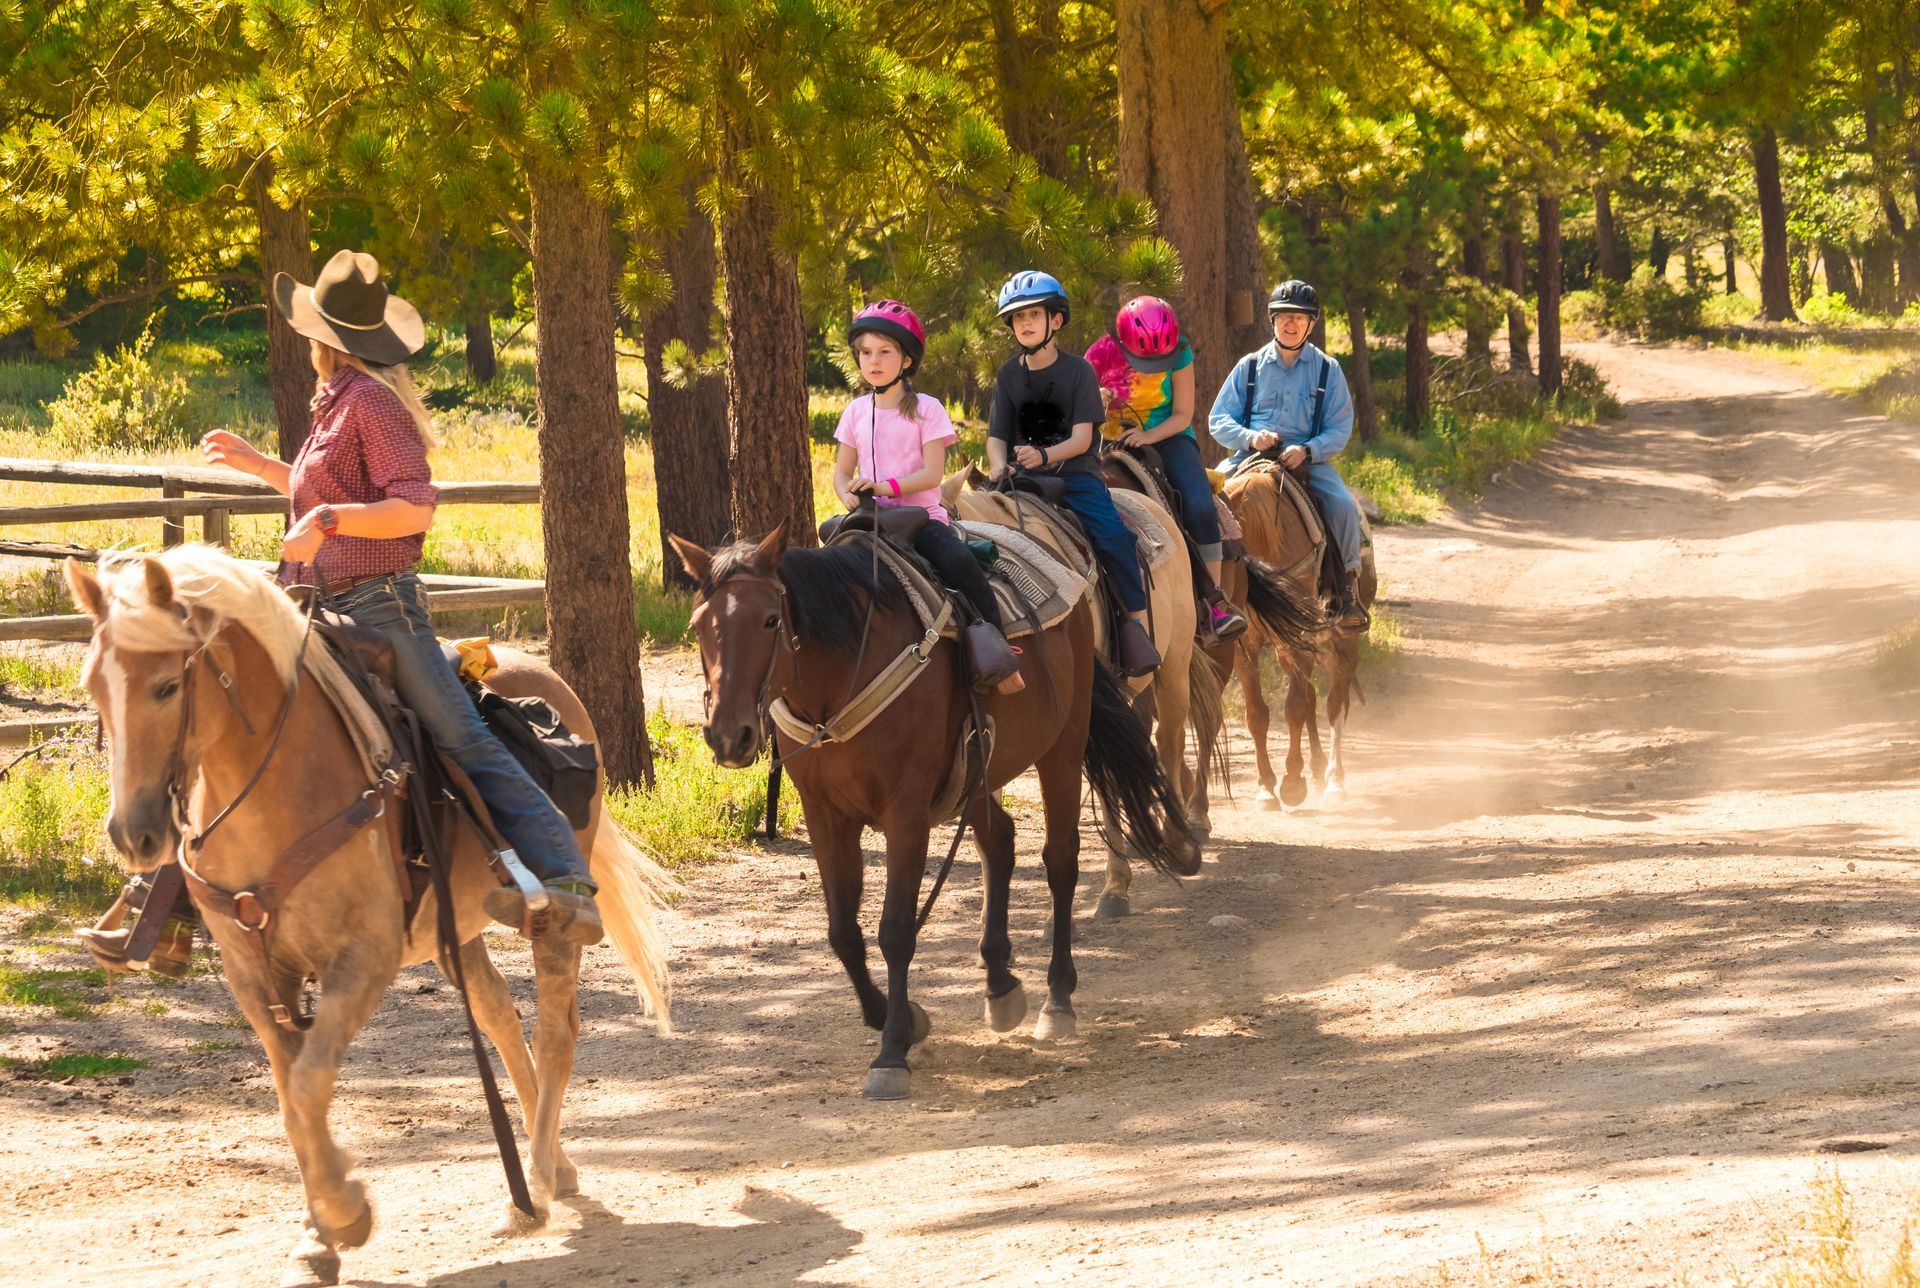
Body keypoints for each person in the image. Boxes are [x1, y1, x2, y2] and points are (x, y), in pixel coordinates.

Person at [203, 249, 603, 945]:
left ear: (324, 335)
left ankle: (567, 879)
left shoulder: (373, 405)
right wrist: (262, 467)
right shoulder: (336, 404)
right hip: (318, 606)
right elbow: (328, 496)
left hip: (377, 607)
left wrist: (326, 522)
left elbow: (414, 508)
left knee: (462, 735)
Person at [830, 300, 1024, 694]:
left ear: (906, 359)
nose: (874, 361)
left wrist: (885, 486)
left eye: (885, 352)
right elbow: (840, 471)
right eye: (866, 352)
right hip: (869, 519)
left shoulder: (928, 410)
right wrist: (846, 494)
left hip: (920, 520)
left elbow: (933, 474)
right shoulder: (853, 412)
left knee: (959, 562)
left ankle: (998, 653)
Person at [985, 271, 1160, 677]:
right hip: (1019, 479)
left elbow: (1083, 439)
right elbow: (997, 435)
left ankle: (1134, 626)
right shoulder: (1009, 374)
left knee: (1113, 536)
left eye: (1033, 314)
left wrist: (1044, 456)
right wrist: (997, 463)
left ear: (1056, 321)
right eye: (1017, 318)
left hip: (1075, 475)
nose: (1024, 323)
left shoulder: (1078, 371)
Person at [1207, 279, 1370, 631]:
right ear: (1272, 321)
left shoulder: (1329, 370)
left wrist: (1308, 449)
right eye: (1283, 317)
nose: (1290, 324)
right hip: (1248, 457)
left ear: (1311, 324)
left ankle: (1346, 591)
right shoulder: (1249, 367)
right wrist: (1251, 437)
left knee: (1342, 505)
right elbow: (1217, 419)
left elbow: (1340, 427)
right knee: (1207, 499)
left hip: (1307, 460)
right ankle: (1207, 593)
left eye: (1299, 317)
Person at [1086, 295, 1249, 643]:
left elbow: (1182, 414)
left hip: (1167, 436)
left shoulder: (1182, 352)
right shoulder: (1099, 355)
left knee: (1201, 506)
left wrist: (1147, 436)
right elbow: (1079, 412)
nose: (1156, 365)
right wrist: (1095, 402)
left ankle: (1214, 604)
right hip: (1107, 439)